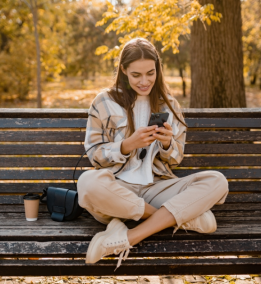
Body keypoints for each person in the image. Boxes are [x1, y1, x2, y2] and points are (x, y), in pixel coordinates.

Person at [77, 37, 229, 271]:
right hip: (117, 192)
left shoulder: (169, 104)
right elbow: (94, 154)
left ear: (158, 68)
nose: (144, 81)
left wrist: (168, 144)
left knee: (217, 181)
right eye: (136, 75)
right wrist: (126, 145)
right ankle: (177, 218)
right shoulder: (104, 101)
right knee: (87, 183)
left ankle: (129, 236)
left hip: (157, 187)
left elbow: (175, 159)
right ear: (124, 70)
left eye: (150, 73)